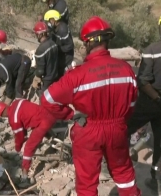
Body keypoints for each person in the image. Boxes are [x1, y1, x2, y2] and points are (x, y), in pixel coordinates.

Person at [40, 16, 140, 195]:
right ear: (107, 41)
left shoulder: (77, 75)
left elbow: (47, 99)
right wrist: (119, 121)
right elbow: (132, 103)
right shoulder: (126, 70)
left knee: (87, 183)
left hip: (88, 129)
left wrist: (70, 115)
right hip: (117, 128)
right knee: (124, 174)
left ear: (87, 43)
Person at [127, 19, 161, 190]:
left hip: (150, 101)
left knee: (124, 127)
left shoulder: (152, 50)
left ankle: (115, 165)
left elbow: (142, 81)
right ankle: (155, 179)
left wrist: (156, 98)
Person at [0, 99, 56, 182]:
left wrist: (18, 148)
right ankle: (53, 137)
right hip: (48, 114)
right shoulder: (17, 102)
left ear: (2, 114)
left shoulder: (13, 119)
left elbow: (20, 136)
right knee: (35, 124)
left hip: (44, 123)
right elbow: (26, 113)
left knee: (28, 148)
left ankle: (24, 175)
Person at [44, 10, 74, 78]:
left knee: (62, 75)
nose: (48, 23)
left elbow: (70, 46)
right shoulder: (54, 27)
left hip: (66, 58)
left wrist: (58, 48)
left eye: (49, 20)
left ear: (54, 19)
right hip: (59, 55)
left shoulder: (63, 30)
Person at [32, 21, 58, 95]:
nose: (36, 35)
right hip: (55, 76)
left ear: (41, 34)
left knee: (43, 99)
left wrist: (36, 77)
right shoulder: (53, 43)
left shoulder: (40, 49)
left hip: (46, 80)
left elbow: (40, 70)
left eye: (36, 34)